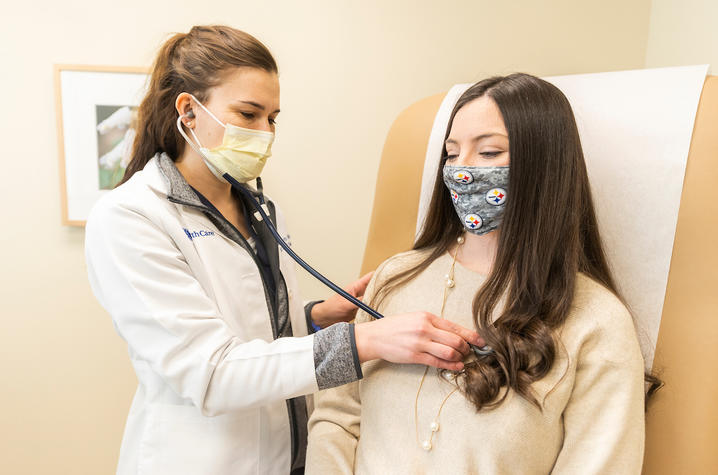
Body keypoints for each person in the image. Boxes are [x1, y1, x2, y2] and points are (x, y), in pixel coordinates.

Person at [84, 25, 483, 475]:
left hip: (288, 454)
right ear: (189, 111)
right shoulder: (131, 218)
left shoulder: (257, 205)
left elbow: (251, 329)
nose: (265, 132)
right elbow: (211, 373)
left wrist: (313, 319)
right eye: (248, 113)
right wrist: (364, 341)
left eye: (272, 118)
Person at [306, 73, 654, 474]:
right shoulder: (392, 279)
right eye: (452, 154)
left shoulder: (596, 321)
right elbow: (336, 419)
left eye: (488, 153)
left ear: (545, 165)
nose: (462, 170)